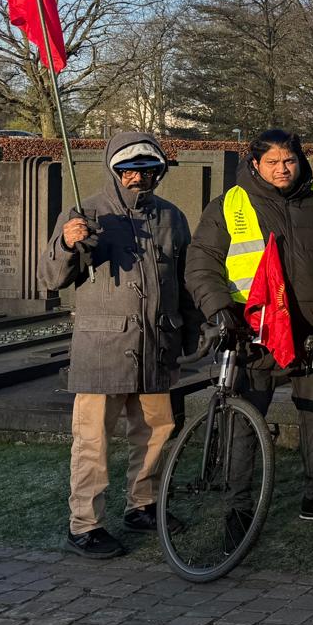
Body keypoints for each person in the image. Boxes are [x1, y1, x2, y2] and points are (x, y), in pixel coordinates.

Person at [186, 129, 313, 528]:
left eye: (289, 160)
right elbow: (201, 264)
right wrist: (219, 309)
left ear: (300, 161)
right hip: (254, 332)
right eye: (273, 162)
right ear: (255, 165)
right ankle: (239, 506)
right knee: (246, 419)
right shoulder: (229, 206)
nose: (283, 169)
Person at [42, 132, 198, 559]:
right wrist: (68, 243)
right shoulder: (85, 211)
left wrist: (188, 333)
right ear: (114, 169)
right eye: (129, 169)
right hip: (102, 348)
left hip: (156, 345)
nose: (138, 177)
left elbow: (183, 282)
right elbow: (52, 279)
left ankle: (142, 506)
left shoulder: (172, 217)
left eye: (148, 170)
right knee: (92, 440)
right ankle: (84, 525)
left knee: (154, 432)